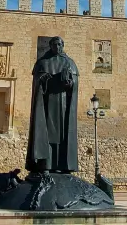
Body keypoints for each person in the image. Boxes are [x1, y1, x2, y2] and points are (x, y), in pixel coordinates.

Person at [25, 36, 79, 174]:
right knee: (47, 135)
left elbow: (74, 84)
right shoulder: (42, 63)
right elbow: (36, 81)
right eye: (55, 45)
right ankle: (45, 165)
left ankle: (63, 166)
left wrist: (70, 83)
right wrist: (42, 80)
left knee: (63, 137)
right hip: (47, 105)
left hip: (63, 105)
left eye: (60, 44)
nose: (57, 47)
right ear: (50, 46)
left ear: (63, 45)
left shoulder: (69, 63)